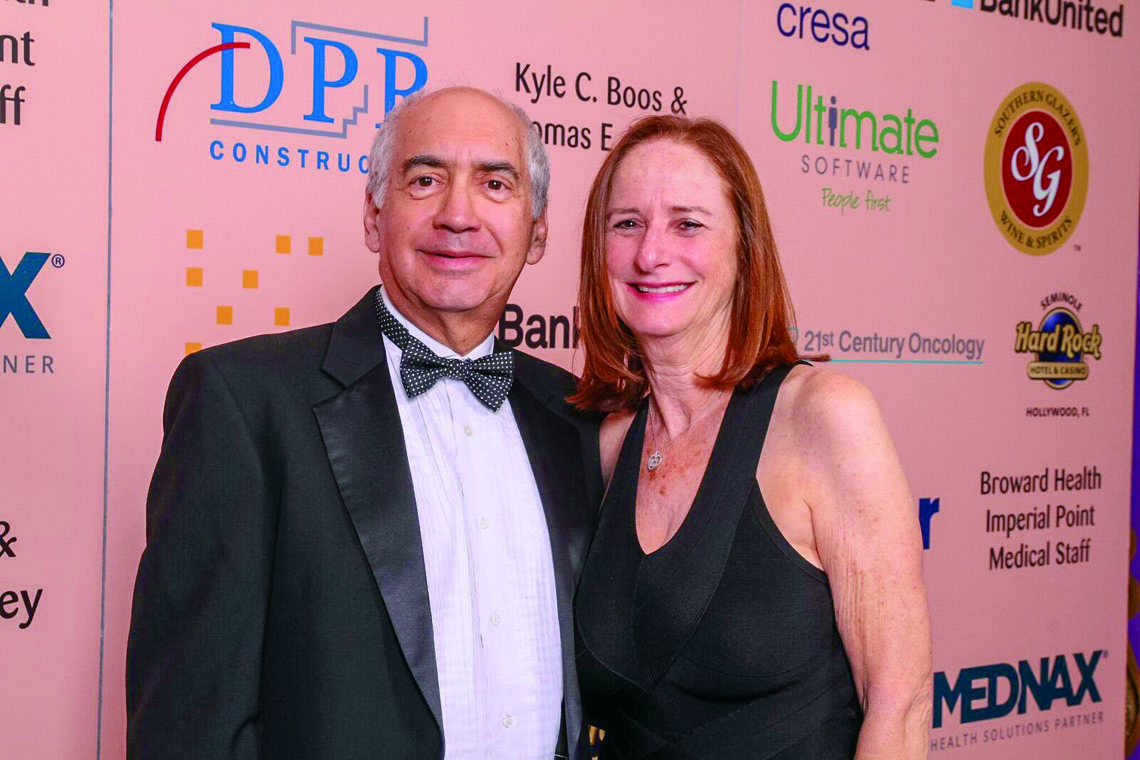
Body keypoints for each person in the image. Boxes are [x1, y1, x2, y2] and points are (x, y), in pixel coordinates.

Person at [126, 87, 601, 760]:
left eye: (495, 184)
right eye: (425, 179)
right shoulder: (244, 404)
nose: (458, 215)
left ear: (538, 229)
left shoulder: (578, 418)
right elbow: (188, 726)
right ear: (375, 216)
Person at [571, 116, 932, 759]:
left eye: (688, 224)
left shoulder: (824, 417)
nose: (651, 254)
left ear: (744, 249)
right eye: (626, 223)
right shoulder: (610, 443)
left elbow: (898, 707)